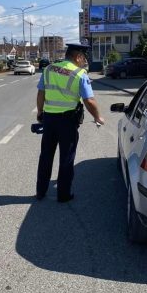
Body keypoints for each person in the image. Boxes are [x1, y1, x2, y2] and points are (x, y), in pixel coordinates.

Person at [35, 42, 104, 202]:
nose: (84, 61)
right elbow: (89, 100)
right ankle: (63, 194)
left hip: (49, 120)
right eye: (83, 58)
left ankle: (40, 192)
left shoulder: (49, 69)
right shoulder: (79, 74)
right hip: (67, 121)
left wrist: (40, 112)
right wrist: (98, 117)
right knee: (66, 158)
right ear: (78, 56)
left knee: (45, 156)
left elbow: (41, 93)